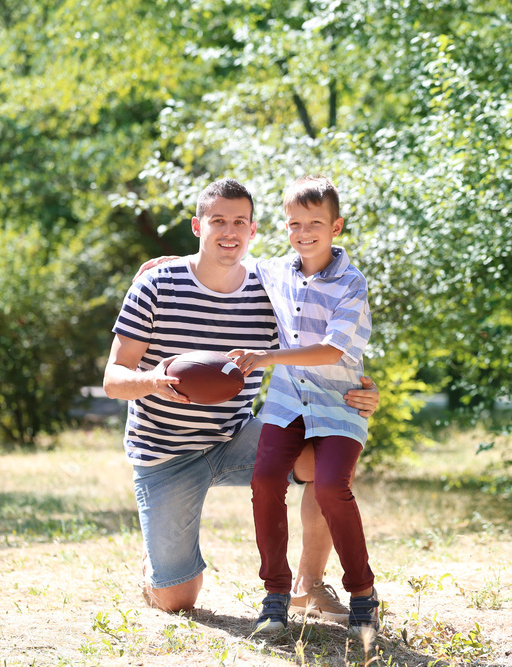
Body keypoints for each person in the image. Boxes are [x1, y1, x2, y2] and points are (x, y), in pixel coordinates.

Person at [102, 178, 378, 618]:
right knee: (178, 600)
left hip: (235, 437)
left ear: (253, 231)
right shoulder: (156, 284)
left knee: (323, 460)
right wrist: (152, 380)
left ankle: (309, 586)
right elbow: (113, 379)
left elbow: (318, 338)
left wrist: (365, 388)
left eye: (239, 222)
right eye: (217, 222)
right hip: (165, 456)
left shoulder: (269, 289)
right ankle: (159, 570)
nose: (228, 232)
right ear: (197, 226)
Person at [229, 176, 378, 639]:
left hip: (340, 402)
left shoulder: (352, 283)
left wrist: (269, 357)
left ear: (336, 227)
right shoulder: (275, 271)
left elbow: (333, 351)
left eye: (315, 222)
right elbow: (229, 261)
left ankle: (363, 595)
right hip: (287, 402)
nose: (304, 231)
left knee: (333, 487)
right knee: (265, 480)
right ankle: (275, 596)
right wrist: (172, 261)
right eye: (294, 223)